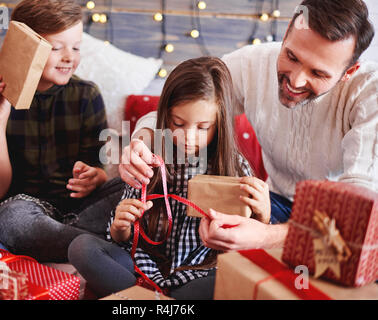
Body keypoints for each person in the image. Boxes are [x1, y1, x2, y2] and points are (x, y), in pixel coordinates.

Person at [118, 0, 377, 252]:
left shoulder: (369, 94)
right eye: (291, 56)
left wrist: (266, 237)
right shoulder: (252, 63)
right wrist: (143, 139)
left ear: (349, 72)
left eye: (317, 73)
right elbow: (186, 103)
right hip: (275, 202)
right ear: (287, 33)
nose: (295, 81)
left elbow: (356, 215)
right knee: (132, 198)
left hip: (332, 218)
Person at [68, 57, 270, 299]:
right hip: (143, 268)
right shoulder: (150, 159)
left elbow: (252, 243)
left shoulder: (234, 167)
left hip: (201, 273)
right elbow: (121, 237)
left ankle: (144, 299)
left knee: (232, 280)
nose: (189, 137)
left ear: (220, 124)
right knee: (81, 248)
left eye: (203, 127)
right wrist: (119, 225)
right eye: (178, 123)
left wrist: (263, 216)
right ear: (165, 116)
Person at [0, 0, 124, 262]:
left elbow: (99, 170)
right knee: (8, 217)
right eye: (56, 48)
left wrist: (95, 177)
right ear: (24, 47)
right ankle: (99, 247)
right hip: (25, 208)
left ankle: (84, 243)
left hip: (81, 208)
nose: (70, 57)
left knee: (131, 186)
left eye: (76, 47)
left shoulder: (86, 95)